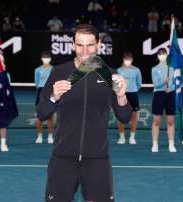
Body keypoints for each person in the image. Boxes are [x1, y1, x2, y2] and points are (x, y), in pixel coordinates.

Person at [37, 24, 132, 202]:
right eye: (80, 45)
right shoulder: (59, 72)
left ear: (98, 45)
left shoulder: (109, 74)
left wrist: (121, 97)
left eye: (89, 45)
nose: (84, 50)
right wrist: (53, 97)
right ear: (73, 45)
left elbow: (125, 117)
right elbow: (42, 113)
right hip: (63, 157)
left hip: (97, 159)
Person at [151, 48, 177, 153]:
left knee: (170, 121)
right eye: (160, 54)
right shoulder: (154, 69)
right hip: (158, 95)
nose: (162, 55)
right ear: (158, 56)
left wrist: (171, 88)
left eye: (164, 54)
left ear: (166, 55)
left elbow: (175, 83)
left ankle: (171, 144)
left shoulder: (171, 69)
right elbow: (156, 84)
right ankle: (155, 144)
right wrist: (163, 82)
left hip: (170, 94)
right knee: (156, 121)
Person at [116, 51, 142, 144]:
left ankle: (132, 137)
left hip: (133, 94)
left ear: (132, 60)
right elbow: (116, 85)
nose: (128, 61)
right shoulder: (119, 70)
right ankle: (122, 138)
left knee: (134, 117)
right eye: (126, 59)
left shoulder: (136, 70)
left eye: (129, 59)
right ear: (123, 60)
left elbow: (139, 84)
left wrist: (133, 89)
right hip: (122, 95)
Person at [34, 51, 54, 144]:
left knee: (50, 116)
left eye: (47, 57)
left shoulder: (53, 69)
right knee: (39, 116)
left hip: (50, 92)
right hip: (40, 92)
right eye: (44, 57)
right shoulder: (37, 70)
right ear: (41, 59)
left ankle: (50, 136)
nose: (46, 58)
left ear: (50, 58)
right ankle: (39, 136)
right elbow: (36, 83)